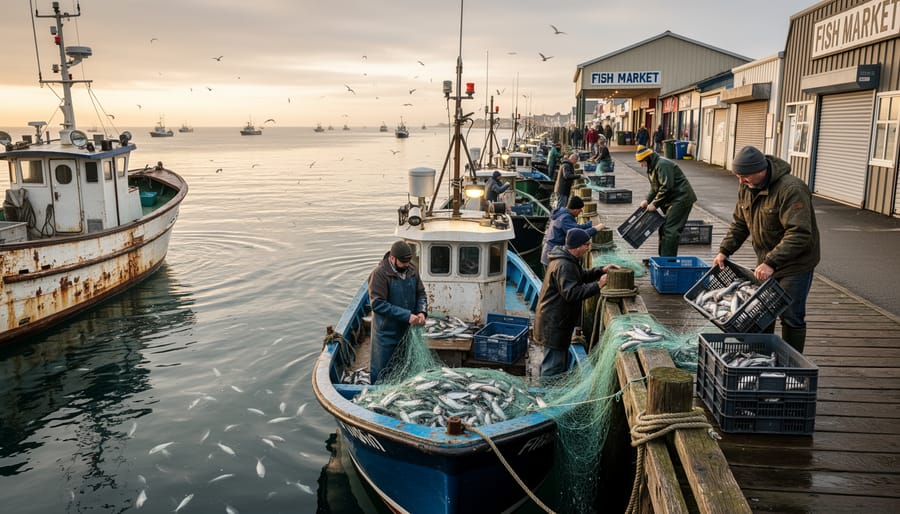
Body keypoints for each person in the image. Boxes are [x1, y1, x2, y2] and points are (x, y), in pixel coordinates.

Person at [713, 146, 820, 353]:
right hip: (766, 261)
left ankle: (792, 365)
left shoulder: (791, 189)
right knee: (761, 311)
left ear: (760, 170)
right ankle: (761, 358)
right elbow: (739, 223)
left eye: (744, 176)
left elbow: (799, 233)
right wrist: (725, 250)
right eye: (738, 176)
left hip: (795, 263)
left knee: (791, 315)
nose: (740, 181)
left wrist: (771, 262)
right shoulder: (746, 187)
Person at [531, 228, 618, 378]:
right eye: (586, 244)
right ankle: (548, 396)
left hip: (558, 322)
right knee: (553, 366)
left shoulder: (567, 260)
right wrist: (598, 285)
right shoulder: (564, 265)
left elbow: (580, 276)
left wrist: (601, 270)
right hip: (553, 324)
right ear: (577, 246)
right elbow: (572, 293)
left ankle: (553, 392)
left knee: (557, 362)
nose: (589, 247)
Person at [368, 240, 427, 384]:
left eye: (408, 261)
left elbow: (421, 294)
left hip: (407, 330)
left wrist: (422, 312)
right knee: (383, 370)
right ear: (392, 258)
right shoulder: (379, 274)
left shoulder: (412, 270)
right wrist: (406, 315)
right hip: (386, 333)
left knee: (404, 368)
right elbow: (377, 304)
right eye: (403, 262)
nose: (406, 265)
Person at [635, 145, 696, 256]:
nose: (641, 164)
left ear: (647, 158)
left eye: (642, 161)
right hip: (673, 199)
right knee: (664, 227)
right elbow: (655, 188)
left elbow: (667, 187)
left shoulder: (662, 165)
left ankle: (668, 261)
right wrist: (647, 200)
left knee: (670, 229)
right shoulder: (652, 167)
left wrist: (655, 203)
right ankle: (663, 258)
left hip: (681, 198)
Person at [540, 196, 605, 269]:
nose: (580, 212)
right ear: (575, 210)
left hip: (551, 252)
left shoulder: (562, 212)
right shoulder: (565, 218)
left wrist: (589, 225)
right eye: (580, 210)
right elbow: (578, 236)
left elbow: (576, 228)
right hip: (553, 255)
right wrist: (595, 229)